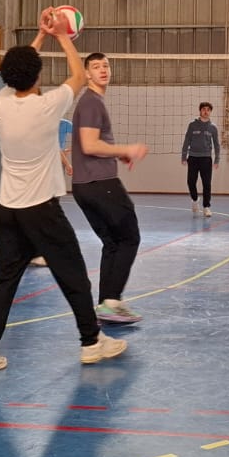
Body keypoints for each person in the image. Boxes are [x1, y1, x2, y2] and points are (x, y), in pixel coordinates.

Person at [0, 11, 126, 374]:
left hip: (6, 210)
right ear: (38, 75)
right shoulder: (47, 106)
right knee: (74, 276)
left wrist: (39, 35)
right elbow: (77, 75)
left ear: (7, 77)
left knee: (4, 282)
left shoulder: (1, 103)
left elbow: (19, 67)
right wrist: (61, 35)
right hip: (41, 211)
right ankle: (91, 342)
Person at [71, 52, 149, 324]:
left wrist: (118, 154)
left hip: (84, 186)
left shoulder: (92, 102)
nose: (103, 70)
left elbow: (92, 144)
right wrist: (126, 149)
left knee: (113, 243)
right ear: (87, 74)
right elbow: (89, 145)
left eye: (105, 65)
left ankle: (107, 304)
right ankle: (112, 301)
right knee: (129, 238)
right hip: (100, 183)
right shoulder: (91, 102)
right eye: (96, 66)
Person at [29, 119, 73, 268]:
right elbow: (54, 147)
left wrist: (65, 156)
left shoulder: (62, 124)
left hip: (43, 168)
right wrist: (67, 163)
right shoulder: (45, 126)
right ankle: (38, 253)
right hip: (45, 168)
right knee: (44, 211)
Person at [181, 101, 220, 217]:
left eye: (208, 110)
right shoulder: (192, 125)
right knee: (190, 182)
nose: (206, 111)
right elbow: (186, 141)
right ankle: (195, 199)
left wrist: (217, 160)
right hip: (193, 158)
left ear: (210, 112)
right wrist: (183, 156)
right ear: (200, 111)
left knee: (207, 184)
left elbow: (216, 145)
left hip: (206, 159)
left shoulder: (213, 127)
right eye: (204, 109)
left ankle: (206, 207)